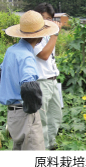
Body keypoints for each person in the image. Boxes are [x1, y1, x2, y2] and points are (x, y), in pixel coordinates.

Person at [0, 10, 59, 150]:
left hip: (12, 114)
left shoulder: (11, 50)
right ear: (40, 37)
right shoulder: (26, 56)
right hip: (25, 114)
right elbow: (29, 87)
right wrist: (34, 111)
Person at [33, 2, 63, 150]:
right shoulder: (33, 35)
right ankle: (42, 148)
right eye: (43, 18)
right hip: (40, 82)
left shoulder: (48, 35)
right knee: (42, 119)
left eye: (49, 19)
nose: (46, 21)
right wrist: (55, 34)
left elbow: (50, 58)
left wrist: (52, 35)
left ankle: (51, 143)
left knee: (56, 115)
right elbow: (44, 55)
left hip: (52, 80)